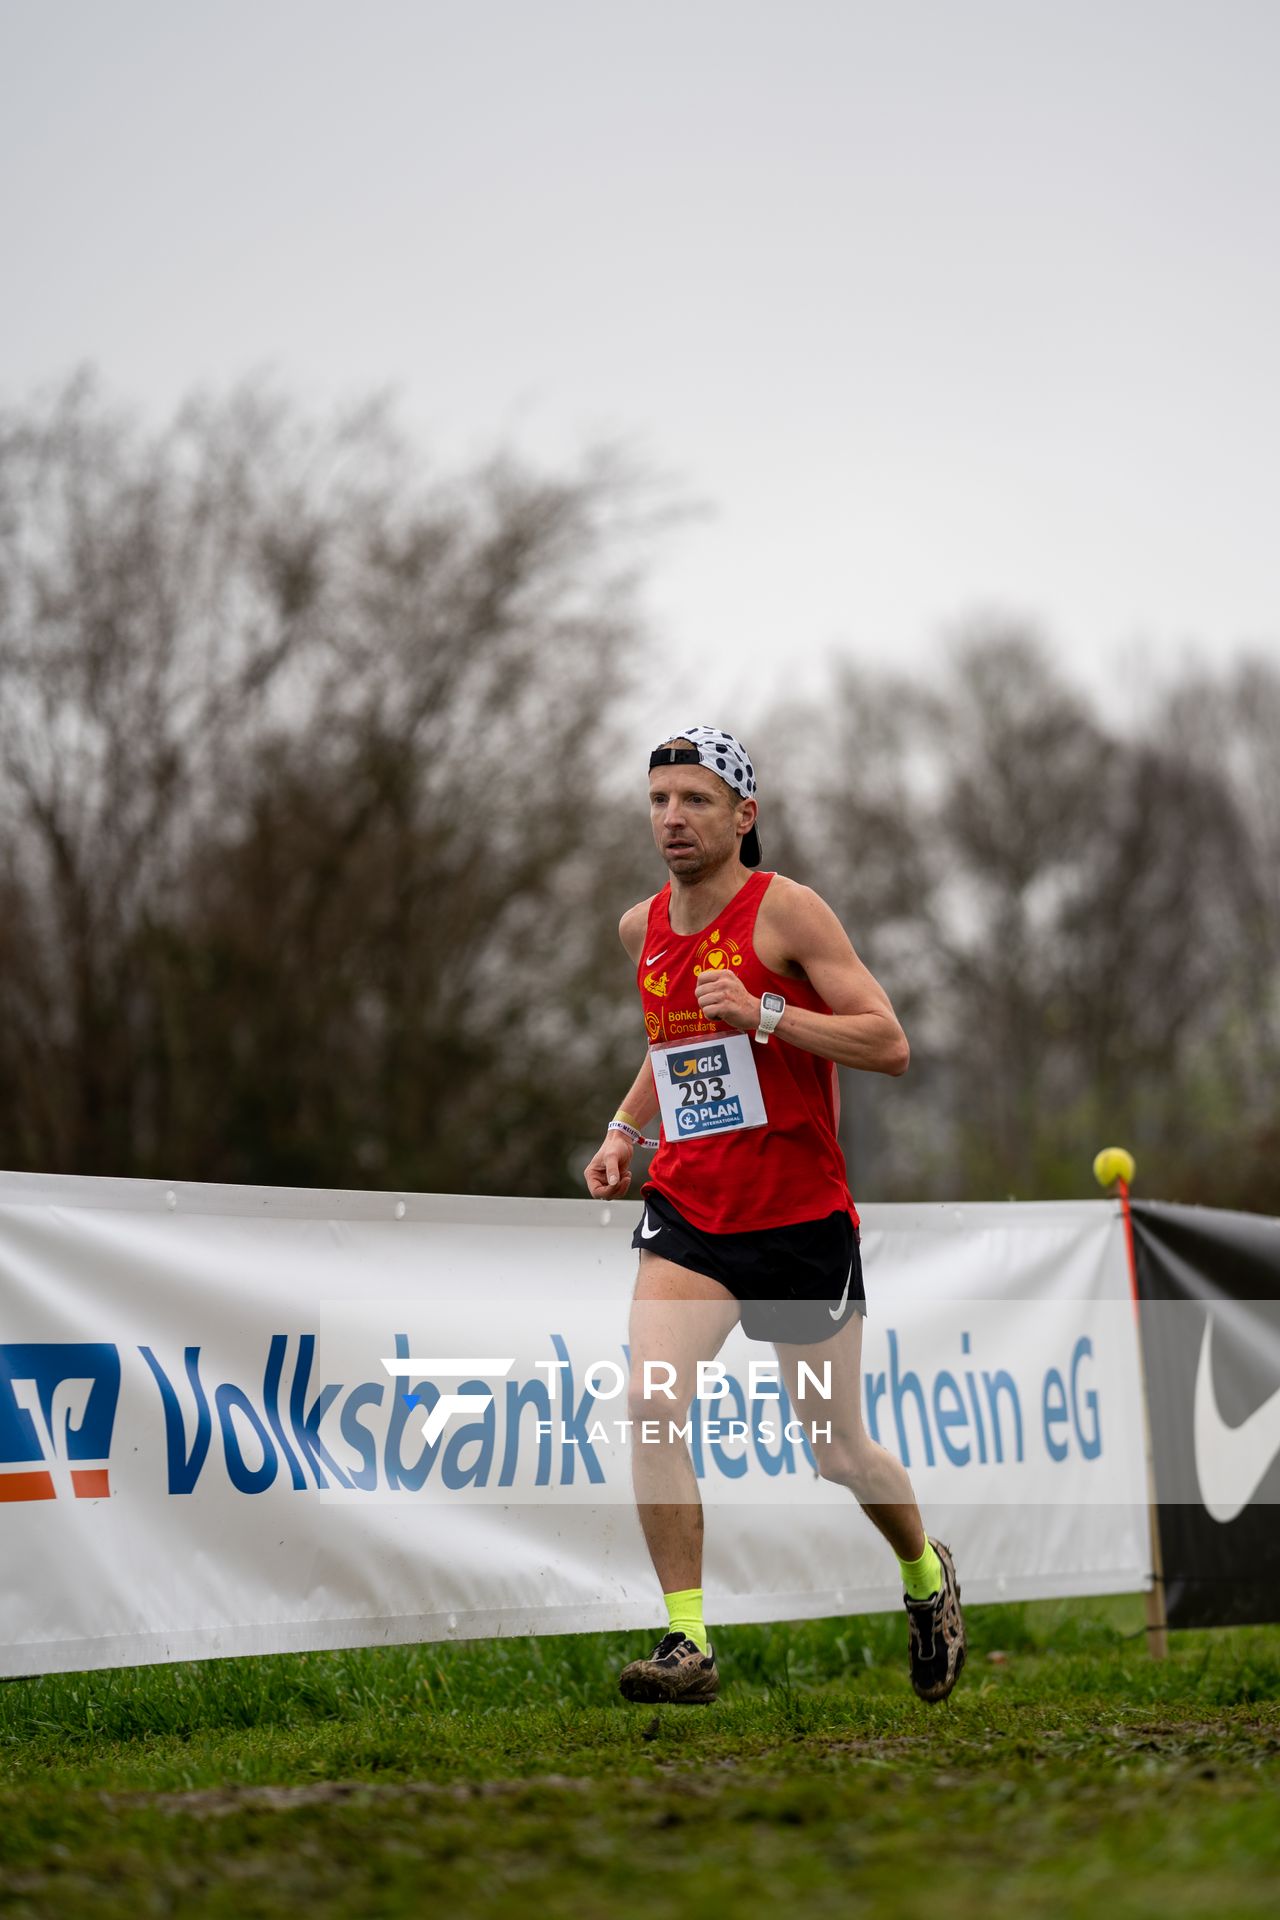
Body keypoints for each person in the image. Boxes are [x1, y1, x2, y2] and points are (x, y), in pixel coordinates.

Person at [583, 726, 965, 1707]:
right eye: (660, 799)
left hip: (797, 1220)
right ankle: (685, 1641)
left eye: (695, 800)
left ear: (741, 816)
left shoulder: (785, 912)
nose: (672, 816)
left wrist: (766, 1015)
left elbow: (886, 1043)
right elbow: (668, 1048)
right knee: (651, 1403)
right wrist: (625, 1129)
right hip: (692, 1212)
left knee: (835, 1449)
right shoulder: (641, 929)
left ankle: (925, 1579)